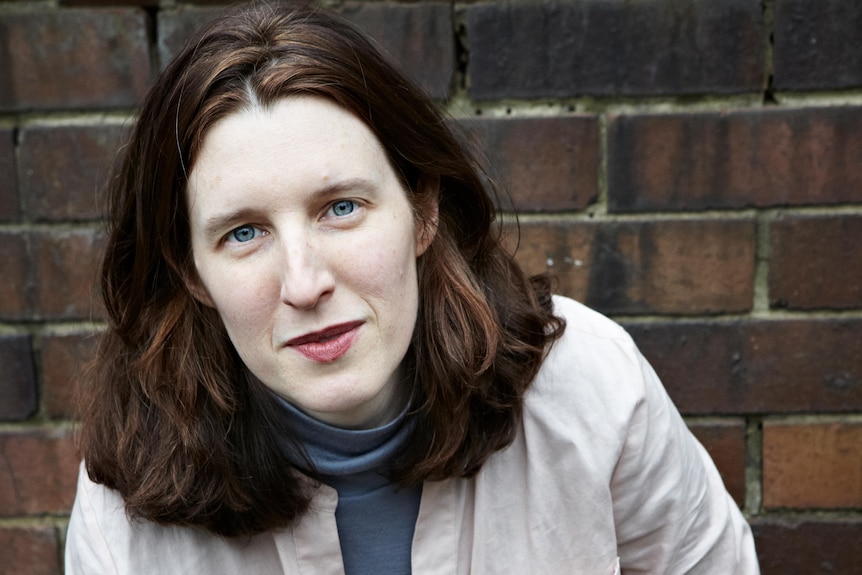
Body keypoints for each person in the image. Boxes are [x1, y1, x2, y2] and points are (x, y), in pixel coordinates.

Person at [66, 1, 760, 573]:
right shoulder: (128, 503)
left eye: (341, 207)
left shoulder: (591, 390)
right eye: (243, 233)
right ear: (193, 272)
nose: (305, 284)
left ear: (422, 210)